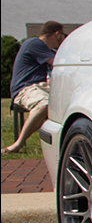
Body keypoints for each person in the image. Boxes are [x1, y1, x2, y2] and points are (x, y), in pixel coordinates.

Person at [4, 21, 66, 153]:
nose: (64, 39)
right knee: (43, 105)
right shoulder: (34, 43)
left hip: (40, 87)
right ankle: (18, 143)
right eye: (63, 35)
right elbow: (59, 64)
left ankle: (65, 145)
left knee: (70, 102)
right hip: (25, 88)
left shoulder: (48, 50)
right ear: (56, 34)